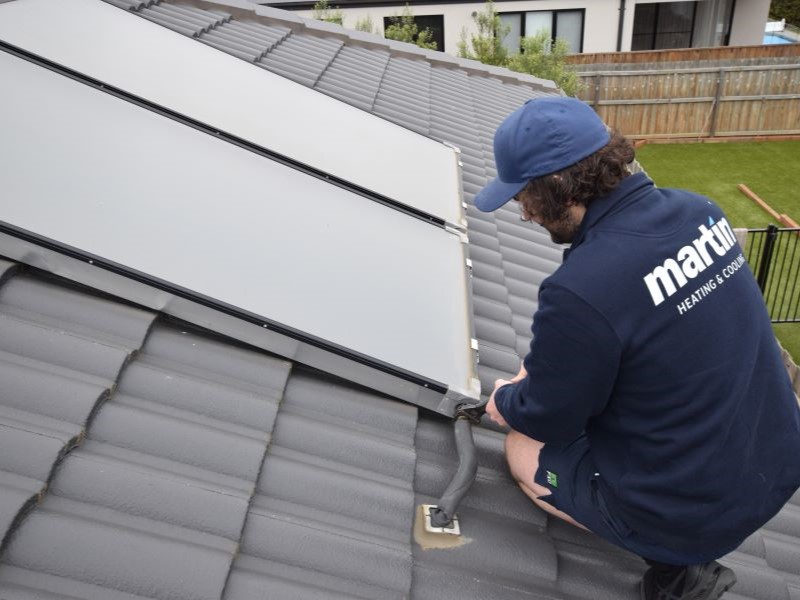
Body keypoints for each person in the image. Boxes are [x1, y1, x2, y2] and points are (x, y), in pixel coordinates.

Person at [477, 96, 800, 600]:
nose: (524, 214)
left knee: (521, 449)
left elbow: (547, 420)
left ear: (556, 188)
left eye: (524, 197)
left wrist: (507, 401)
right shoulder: (702, 212)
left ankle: (678, 570)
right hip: (775, 463)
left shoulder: (580, 289)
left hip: (691, 516)